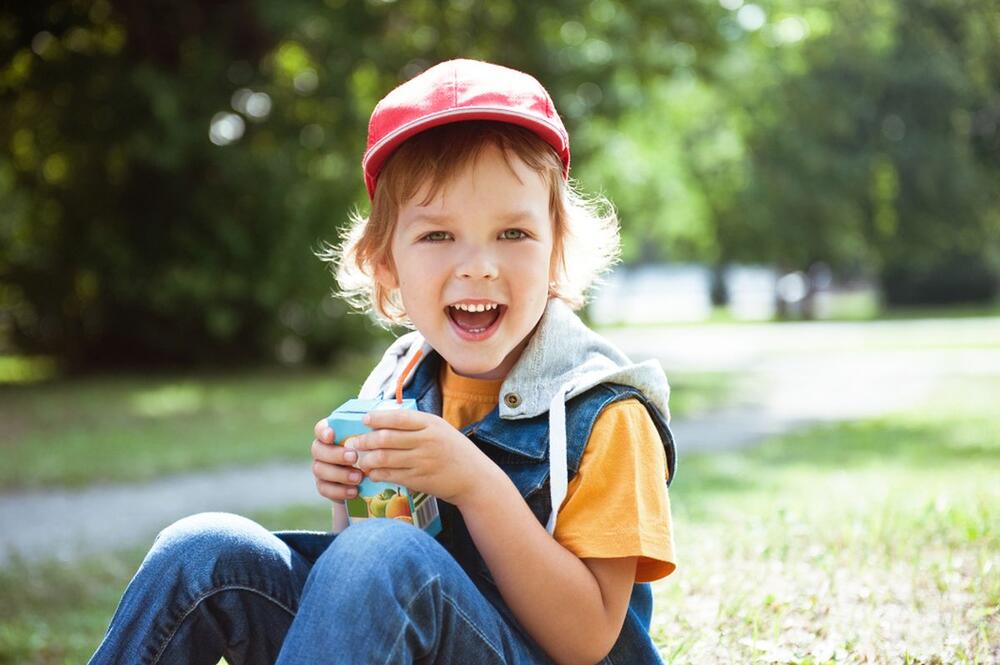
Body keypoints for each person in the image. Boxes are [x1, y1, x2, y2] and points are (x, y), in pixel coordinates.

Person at [89, 58, 676, 665]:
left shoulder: (607, 415)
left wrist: (474, 484)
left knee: (384, 554)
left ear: (557, 253)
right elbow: (362, 592)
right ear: (386, 263)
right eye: (437, 236)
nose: (478, 264)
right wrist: (349, 493)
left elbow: (587, 641)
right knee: (202, 550)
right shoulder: (400, 379)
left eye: (512, 234)